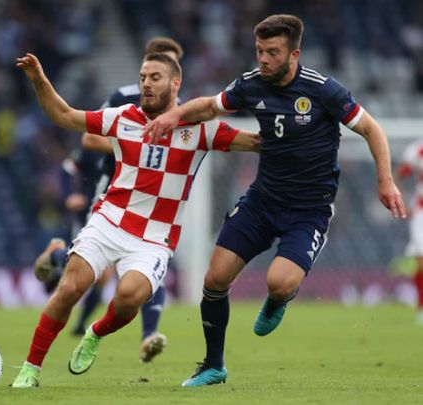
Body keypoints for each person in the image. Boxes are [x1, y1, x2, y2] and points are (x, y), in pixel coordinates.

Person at [143, 14, 406, 387]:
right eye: (260, 51)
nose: (264, 59)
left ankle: (280, 298)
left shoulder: (324, 90)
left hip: (309, 210)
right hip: (262, 201)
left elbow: (371, 129)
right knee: (215, 278)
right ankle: (213, 366)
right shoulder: (251, 84)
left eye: (272, 52)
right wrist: (173, 117)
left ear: (294, 54)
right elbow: (209, 106)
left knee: (278, 283)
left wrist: (386, 181)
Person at [11, 51, 260, 388]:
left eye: (155, 77)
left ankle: (95, 332)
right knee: (69, 286)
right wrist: (39, 80)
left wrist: (299, 130)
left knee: (129, 298)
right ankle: (30, 368)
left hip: (155, 238)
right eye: (143, 77)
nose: (146, 84)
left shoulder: (201, 128)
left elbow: (256, 143)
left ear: (175, 83)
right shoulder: (123, 117)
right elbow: (64, 115)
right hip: (110, 220)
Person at [36, 37, 185, 364]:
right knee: (94, 274)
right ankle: (58, 256)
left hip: (155, 208)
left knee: (144, 274)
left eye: (169, 66)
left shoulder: (182, 112)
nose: (153, 80)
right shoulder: (124, 99)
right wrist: (137, 146)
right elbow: (88, 138)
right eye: (150, 71)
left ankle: (146, 335)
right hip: (113, 190)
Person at [395, 138, 423, 325]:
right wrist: (402, 200)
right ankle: (422, 307)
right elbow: (400, 174)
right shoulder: (418, 150)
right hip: (421, 212)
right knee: (421, 260)